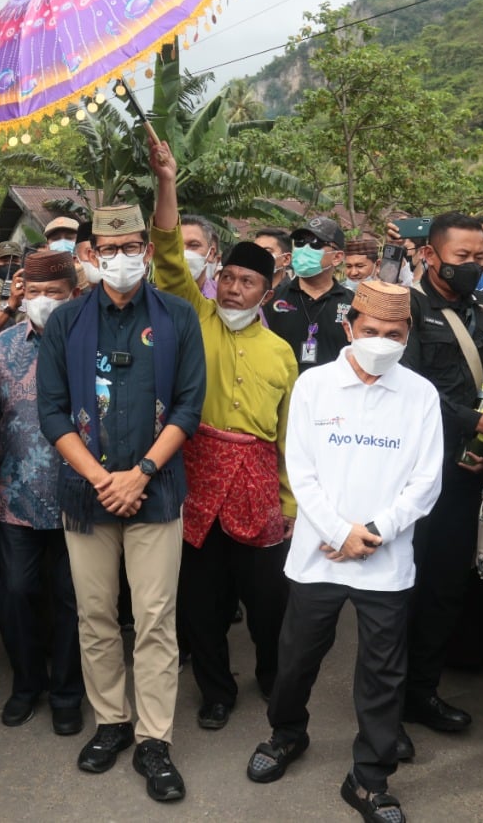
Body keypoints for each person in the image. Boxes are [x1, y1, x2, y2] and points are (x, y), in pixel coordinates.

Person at [245, 280, 443, 823]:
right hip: (318, 555)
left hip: (386, 558)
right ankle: (286, 735)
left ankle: (370, 778)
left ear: (407, 338)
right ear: (349, 328)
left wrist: (372, 533)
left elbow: (426, 483)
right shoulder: (314, 386)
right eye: (372, 331)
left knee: (383, 674)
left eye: (394, 335)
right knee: (296, 659)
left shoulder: (419, 395)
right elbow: (300, 472)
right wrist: (338, 532)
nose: (381, 342)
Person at [37, 199, 206, 803]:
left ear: (146, 249)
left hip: (155, 492)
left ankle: (153, 737)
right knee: (96, 613)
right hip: (86, 495)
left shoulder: (179, 317)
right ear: (90, 256)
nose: (121, 258)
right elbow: (51, 411)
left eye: (132, 246)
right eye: (109, 250)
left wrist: (141, 472)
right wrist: (104, 478)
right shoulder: (66, 322)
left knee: (157, 618)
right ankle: (111, 720)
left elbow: (189, 404)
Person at [148, 141, 298, 732]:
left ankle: (271, 674)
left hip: (261, 488)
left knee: (268, 603)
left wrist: (290, 503)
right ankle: (215, 690)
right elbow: (165, 254)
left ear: (267, 289)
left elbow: (289, 438)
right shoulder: (190, 315)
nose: (233, 289)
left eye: (246, 282)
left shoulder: (283, 352)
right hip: (195, 481)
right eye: (227, 278)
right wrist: (167, 183)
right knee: (201, 604)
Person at [401, 212, 483, 737]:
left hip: (469, 465)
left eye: (479, 257)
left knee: (447, 586)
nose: (473, 266)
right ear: (430, 256)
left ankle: (422, 693)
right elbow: (409, 388)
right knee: (404, 589)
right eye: (462, 257)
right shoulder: (408, 307)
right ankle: (387, 702)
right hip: (418, 467)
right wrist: (477, 421)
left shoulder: (482, 304)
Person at [0, 249, 86, 734]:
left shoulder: (91, 344)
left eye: (53, 293)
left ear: (74, 294)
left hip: (80, 496)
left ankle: (67, 693)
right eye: (33, 292)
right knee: (14, 594)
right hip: (16, 495)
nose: (42, 301)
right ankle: (27, 682)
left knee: (72, 598)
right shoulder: (4, 346)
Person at [264, 216, 353, 374]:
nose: (304, 249)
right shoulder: (272, 299)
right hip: (285, 393)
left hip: (333, 394)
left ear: (337, 257)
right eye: (299, 242)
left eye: (315, 244)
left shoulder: (352, 303)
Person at [181, 214, 221, 298]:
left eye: (194, 245)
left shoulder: (223, 299)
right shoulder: (154, 298)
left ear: (211, 253)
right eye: (177, 245)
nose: (183, 252)